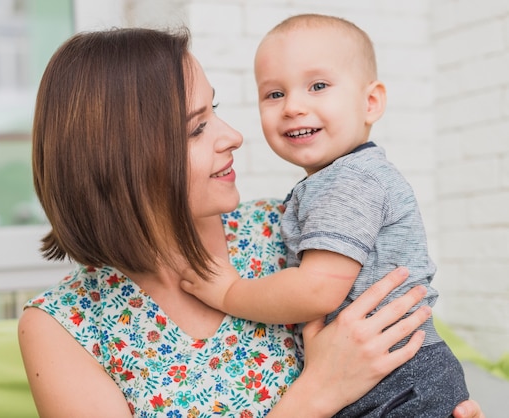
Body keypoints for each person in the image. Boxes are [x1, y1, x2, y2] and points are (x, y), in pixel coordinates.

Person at [17, 27, 483, 417]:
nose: (234, 137)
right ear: (122, 164)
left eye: (214, 111)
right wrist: (316, 393)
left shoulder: (285, 231)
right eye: (197, 128)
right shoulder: (65, 327)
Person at [180, 13, 471, 417]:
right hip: (385, 374)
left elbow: (317, 291)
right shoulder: (336, 179)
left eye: (318, 86)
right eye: (274, 94)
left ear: (370, 102)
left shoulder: (350, 180)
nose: (294, 107)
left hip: (401, 379)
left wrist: (230, 293)